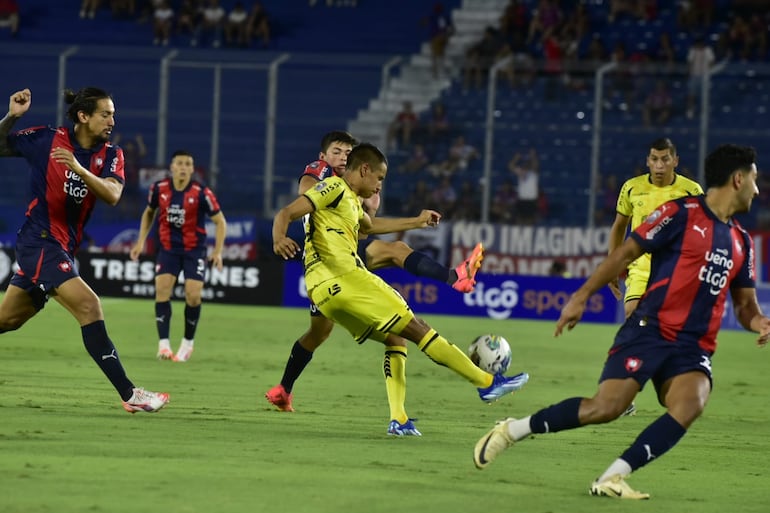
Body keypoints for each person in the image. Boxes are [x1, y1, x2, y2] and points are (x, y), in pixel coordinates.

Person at [473, 143, 768, 500]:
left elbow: (745, 305)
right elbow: (627, 252)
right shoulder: (681, 212)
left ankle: (612, 477)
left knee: (692, 403)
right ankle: (512, 430)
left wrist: (760, 323)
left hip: (692, 347)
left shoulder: (741, 242)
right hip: (650, 330)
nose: (757, 188)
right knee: (606, 408)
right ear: (738, 179)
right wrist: (581, 297)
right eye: (754, 179)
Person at [273, 142, 530, 433]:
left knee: (396, 339)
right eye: (379, 178)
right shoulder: (332, 187)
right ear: (365, 169)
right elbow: (286, 212)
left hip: (322, 293)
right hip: (346, 277)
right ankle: (485, 383)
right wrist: (279, 238)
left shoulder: (352, 202)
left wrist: (417, 221)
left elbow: (368, 228)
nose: (380, 185)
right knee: (417, 326)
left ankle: (399, 419)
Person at [0, 87, 169, 413]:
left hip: (62, 246)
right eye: (105, 114)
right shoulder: (47, 140)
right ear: (83, 116)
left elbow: (113, 194)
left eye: (113, 114)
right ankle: (130, 394)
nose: (111, 120)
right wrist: (11, 117)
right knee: (89, 306)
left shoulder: (111, 154)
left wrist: (79, 169)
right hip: (39, 241)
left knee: (8, 320)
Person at [129, 150, 227, 363]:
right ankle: (163, 345)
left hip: (194, 250)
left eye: (187, 164)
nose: (183, 167)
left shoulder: (202, 192)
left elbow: (220, 222)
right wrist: (140, 242)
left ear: (192, 169)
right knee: (162, 291)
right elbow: (149, 212)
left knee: (193, 295)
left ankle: (187, 344)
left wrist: (217, 251)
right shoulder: (159, 188)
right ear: (172, 167)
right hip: (168, 249)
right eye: (179, 163)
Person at [608, 138, 703, 319]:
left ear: (675, 161)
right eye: (654, 159)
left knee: (670, 324)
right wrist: (612, 265)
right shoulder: (632, 188)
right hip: (641, 269)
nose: (659, 165)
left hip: (677, 270)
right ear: (647, 161)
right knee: (633, 315)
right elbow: (620, 226)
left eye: (665, 159)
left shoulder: (691, 191)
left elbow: (704, 232)